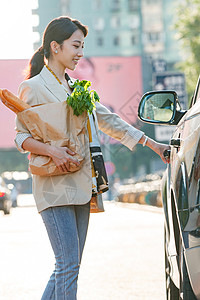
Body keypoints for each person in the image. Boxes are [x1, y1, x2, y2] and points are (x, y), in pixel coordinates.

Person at [14, 16, 170, 300]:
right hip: (53, 187)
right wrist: (53, 150)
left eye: (82, 46)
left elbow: (110, 121)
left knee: (68, 267)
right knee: (67, 266)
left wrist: (153, 145)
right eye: (76, 45)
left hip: (82, 184)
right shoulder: (33, 87)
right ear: (55, 46)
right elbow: (20, 137)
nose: (80, 53)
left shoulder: (77, 88)